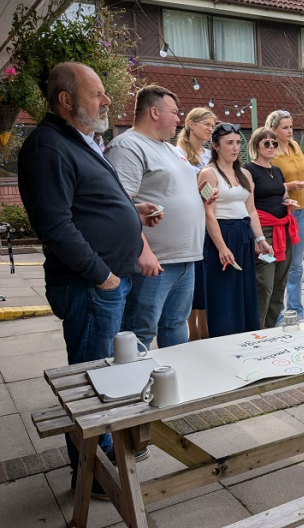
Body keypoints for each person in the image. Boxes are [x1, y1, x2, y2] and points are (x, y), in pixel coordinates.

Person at [17, 62, 163, 496]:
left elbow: (85, 201)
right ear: (67, 100)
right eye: (97, 93)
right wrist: (104, 278)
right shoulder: (46, 147)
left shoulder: (77, 140)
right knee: (89, 383)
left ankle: (105, 453)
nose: (106, 101)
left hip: (107, 282)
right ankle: (90, 476)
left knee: (107, 376)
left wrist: (127, 212)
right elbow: (56, 226)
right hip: (89, 286)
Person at [105, 85, 206, 349]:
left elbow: (174, 190)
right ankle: (137, 387)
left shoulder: (173, 150)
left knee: (175, 324)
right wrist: (143, 251)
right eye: (173, 112)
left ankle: (176, 383)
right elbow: (120, 205)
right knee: (140, 330)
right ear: (153, 112)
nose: (178, 119)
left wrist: (199, 197)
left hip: (186, 259)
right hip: (154, 262)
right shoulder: (127, 146)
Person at [198, 123, 271, 336]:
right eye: (229, 143)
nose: (235, 147)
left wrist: (260, 239)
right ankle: (223, 339)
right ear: (215, 146)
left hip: (243, 233)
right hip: (221, 233)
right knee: (224, 292)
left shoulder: (245, 175)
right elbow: (208, 213)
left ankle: (246, 337)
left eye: (238, 142)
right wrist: (221, 247)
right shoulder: (208, 174)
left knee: (246, 289)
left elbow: (252, 210)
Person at [244, 127, 300, 327]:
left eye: (273, 143)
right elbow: (248, 204)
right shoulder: (248, 170)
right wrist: (258, 238)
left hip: (283, 230)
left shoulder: (276, 170)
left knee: (279, 284)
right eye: (266, 143)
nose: (271, 146)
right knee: (264, 284)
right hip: (265, 232)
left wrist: (288, 203)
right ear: (256, 146)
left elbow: (281, 195)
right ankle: (256, 329)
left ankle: (270, 328)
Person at [265, 110, 304, 323]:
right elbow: (264, 183)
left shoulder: (295, 146)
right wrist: (288, 186)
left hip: (302, 209)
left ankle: (296, 312)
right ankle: (277, 314)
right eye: (285, 127)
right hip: (281, 213)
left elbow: (303, 170)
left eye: (291, 126)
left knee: (296, 265)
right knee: (279, 262)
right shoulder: (270, 152)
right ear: (273, 130)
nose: (290, 131)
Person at [176, 107, 217, 340]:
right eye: (206, 124)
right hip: (191, 221)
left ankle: (205, 328)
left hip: (210, 217)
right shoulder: (179, 153)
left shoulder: (209, 154)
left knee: (206, 279)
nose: (210, 129)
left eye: (212, 125)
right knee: (194, 279)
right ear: (191, 124)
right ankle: (192, 332)